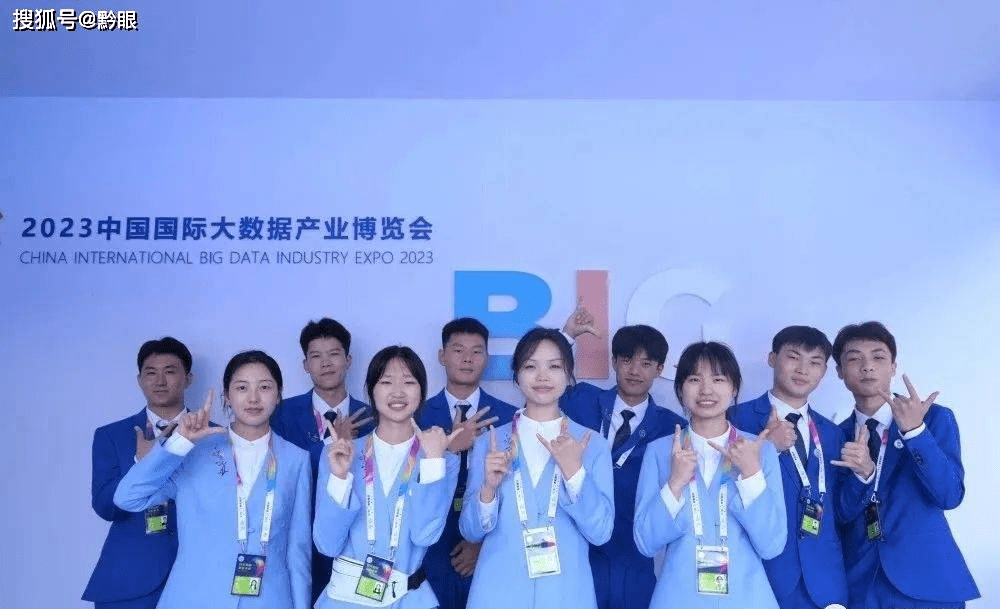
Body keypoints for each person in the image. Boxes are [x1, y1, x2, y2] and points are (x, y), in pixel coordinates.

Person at [114, 350, 313, 609]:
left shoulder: (296, 459)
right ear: (227, 396)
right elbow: (127, 498)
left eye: (264, 387)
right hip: (195, 597)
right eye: (242, 387)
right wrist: (178, 443)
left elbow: (298, 551)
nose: (253, 398)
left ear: (278, 395)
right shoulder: (193, 450)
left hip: (269, 599)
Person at [460, 328, 614, 609]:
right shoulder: (490, 443)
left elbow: (601, 532)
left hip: (566, 595)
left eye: (554, 366)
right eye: (531, 366)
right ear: (517, 375)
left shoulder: (593, 445)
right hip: (498, 594)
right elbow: (470, 531)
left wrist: (575, 474)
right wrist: (488, 490)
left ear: (569, 374)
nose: (542, 376)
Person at [830, 321, 979, 608]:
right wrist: (862, 476)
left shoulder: (934, 418)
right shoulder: (834, 435)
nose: (867, 366)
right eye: (855, 358)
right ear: (840, 371)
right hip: (861, 586)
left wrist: (915, 433)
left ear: (893, 367)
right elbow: (838, 515)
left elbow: (949, 495)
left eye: (878, 357)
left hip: (928, 582)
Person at [634, 341, 786, 608]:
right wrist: (675, 483)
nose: (706, 390)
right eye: (694, 379)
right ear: (680, 389)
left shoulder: (759, 451)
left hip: (746, 599)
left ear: (734, 387)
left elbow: (772, 545)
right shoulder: (659, 452)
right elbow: (646, 543)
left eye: (718, 379)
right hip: (679, 599)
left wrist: (751, 474)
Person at [559, 302, 686, 609]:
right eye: (627, 360)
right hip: (579, 544)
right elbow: (544, 385)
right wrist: (567, 336)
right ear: (614, 361)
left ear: (659, 369)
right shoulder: (582, 399)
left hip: (634, 554)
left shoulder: (672, 427)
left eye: (646, 363)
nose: (634, 371)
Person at [313, 346, 460, 609]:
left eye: (409, 382)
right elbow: (327, 544)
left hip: (409, 600)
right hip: (345, 601)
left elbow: (425, 535)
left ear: (422, 392)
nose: (398, 392)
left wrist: (433, 462)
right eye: (386, 382)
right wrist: (340, 477)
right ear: (371, 390)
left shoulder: (443, 459)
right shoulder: (340, 454)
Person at [729, 326, 848, 609]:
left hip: (823, 583)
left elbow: (840, 510)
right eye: (793, 357)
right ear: (772, 358)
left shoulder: (832, 433)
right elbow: (719, 490)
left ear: (824, 371)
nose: (803, 369)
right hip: (760, 575)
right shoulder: (734, 418)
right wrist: (769, 449)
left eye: (814, 362)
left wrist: (865, 474)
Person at [83, 337, 193, 609]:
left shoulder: (216, 437)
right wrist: (142, 464)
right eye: (151, 373)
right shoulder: (112, 435)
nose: (160, 381)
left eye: (170, 371)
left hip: (198, 575)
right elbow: (105, 506)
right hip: (131, 580)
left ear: (188, 378)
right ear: (139, 380)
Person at [270, 318, 375, 600]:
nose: (325, 363)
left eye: (334, 354)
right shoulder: (281, 414)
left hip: (354, 538)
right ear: (305, 364)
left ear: (348, 360)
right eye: (316, 356)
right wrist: (335, 443)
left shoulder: (372, 416)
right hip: (295, 536)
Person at [416, 318, 515, 609]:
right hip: (429, 544)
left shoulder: (509, 416)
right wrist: (449, 445)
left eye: (477, 351)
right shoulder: (417, 414)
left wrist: (480, 540)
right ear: (441, 356)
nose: (468, 358)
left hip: (489, 543)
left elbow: (514, 489)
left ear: (487, 358)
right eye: (458, 350)